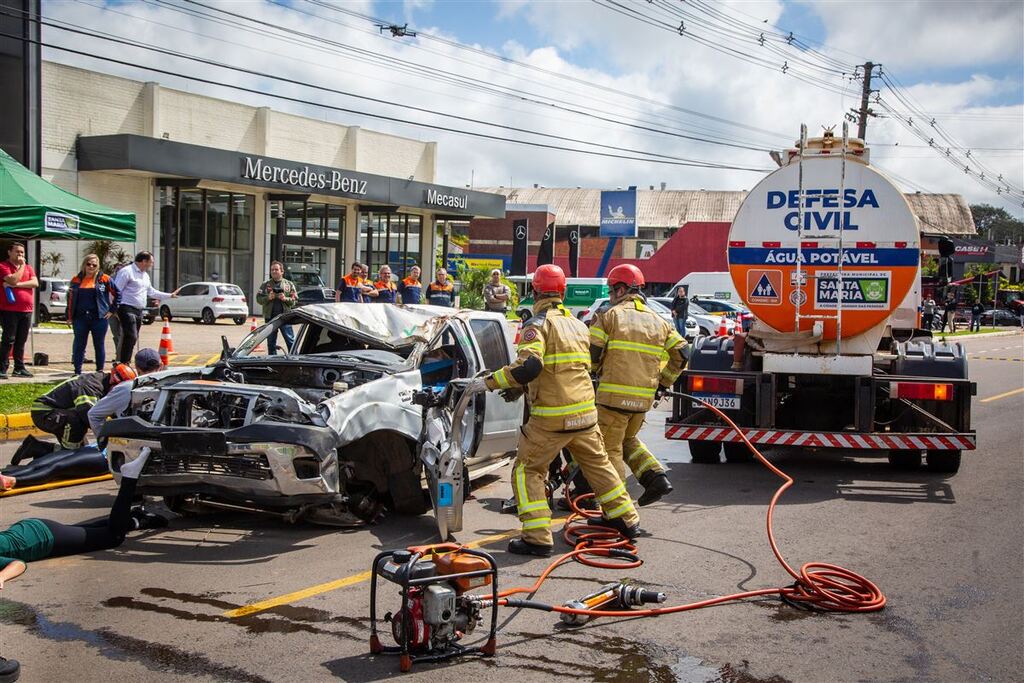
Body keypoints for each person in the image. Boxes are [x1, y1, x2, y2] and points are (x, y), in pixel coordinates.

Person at [464, 264, 640, 556]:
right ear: (563, 292)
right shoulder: (578, 324)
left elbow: (531, 366)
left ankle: (537, 538)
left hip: (552, 419)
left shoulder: (537, 324)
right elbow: (564, 368)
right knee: (599, 466)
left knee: (527, 470)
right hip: (585, 414)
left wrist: (489, 383)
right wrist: (520, 386)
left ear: (534, 291)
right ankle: (626, 519)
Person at [0, 446, 166, 591]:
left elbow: (18, 564)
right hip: (29, 530)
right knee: (91, 532)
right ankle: (136, 519)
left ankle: (130, 477)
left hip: (44, 538)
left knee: (113, 537)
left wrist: (1, 577)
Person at [590, 265, 687, 506]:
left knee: (608, 450)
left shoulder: (609, 316)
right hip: (642, 401)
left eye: (613, 291)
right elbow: (683, 353)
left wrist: (590, 377)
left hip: (612, 400)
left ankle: (617, 510)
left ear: (622, 289)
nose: (611, 296)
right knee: (628, 440)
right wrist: (663, 382)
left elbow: (591, 353)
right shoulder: (658, 320)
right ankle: (656, 478)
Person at [8, 363, 138, 469]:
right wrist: (107, 440)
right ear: (113, 382)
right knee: (74, 442)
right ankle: (52, 460)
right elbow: (89, 416)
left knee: (80, 451)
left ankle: (36, 448)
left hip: (60, 412)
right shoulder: (90, 386)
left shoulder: (102, 384)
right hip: (44, 412)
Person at [112, 252, 175, 364]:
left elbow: (151, 292)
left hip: (139, 310)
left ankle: (124, 361)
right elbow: (115, 291)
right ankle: (123, 362)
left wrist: (169, 295)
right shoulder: (126, 272)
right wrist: (113, 308)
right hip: (126, 307)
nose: (152, 265)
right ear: (144, 261)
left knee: (132, 338)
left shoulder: (145, 275)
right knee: (131, 335)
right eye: (151, 262)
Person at [67, 254, 120, 375]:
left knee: (99, 344)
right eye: (88, 264)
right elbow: (70, 299)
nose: (91, 267)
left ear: (98, 266)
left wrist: (112, 310)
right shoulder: (76, 279)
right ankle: (77, 372)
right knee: (79, 344)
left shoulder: (105, 279)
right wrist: (69, 317)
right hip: (80, 318)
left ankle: (99, 371)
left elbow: (118, 294)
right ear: (84, 265)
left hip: (99, 318)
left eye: (94, 265)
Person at [0, 242, 39, 379]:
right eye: (17, 252)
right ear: (9, 252)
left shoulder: (29, 268)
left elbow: (35, 283)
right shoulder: (3, 266)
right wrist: (21, 267)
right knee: (8, 339)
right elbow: (12, 279)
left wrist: (16, 286)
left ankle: (19, 367)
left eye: (22, 252)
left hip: (26, 310)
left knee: (21, 340)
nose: (20, 255)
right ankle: (2, 367)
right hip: (9, 309)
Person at [256, 261, 298, 355]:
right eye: (272, 270)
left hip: (285, 317)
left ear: (282, 271)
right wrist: (268, 298)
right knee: (271, 343)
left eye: (276, 269)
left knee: (290, 341)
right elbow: (258, 299)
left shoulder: (289, 284)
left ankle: (295, 359)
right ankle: (272, 362)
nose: (274, 271)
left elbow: (294, 300)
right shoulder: (265, 284)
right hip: (270, 318)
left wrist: (285, 299)